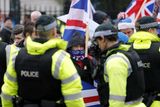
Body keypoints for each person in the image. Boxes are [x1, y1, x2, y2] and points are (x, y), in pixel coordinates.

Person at [1, 15, 85, 107]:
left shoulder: (17, 56)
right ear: (54, 32)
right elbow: (74, 99)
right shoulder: (61, 59)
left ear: (36, 32)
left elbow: (7, 93)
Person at [93, 22, 146, 107]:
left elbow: (117, 99)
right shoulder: (129, 52)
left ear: (102, 38)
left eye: (97, 41)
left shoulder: (115, 61)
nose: (97, 45)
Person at [129, 16, 160, 107]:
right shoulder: (158, 48)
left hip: (135, 103)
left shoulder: (127, 49)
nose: (157, 32)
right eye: (156, 30)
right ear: (150, 30)